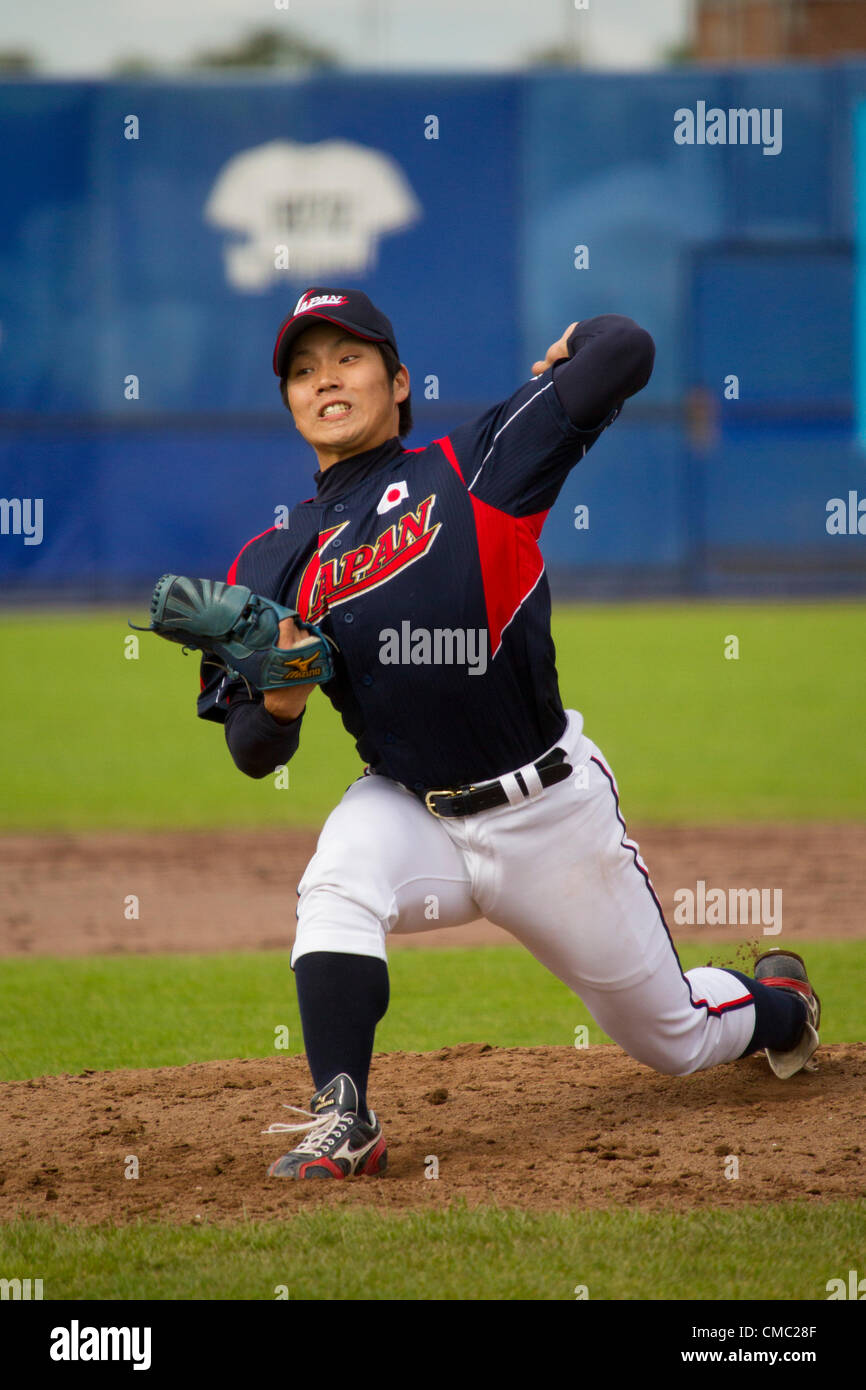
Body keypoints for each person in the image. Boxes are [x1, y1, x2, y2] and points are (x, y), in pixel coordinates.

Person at [197, 286, 820, 1180]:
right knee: (336, 880)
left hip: (549, 812)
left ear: (399, 380)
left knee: (673, 1038)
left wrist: (578, 341)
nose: (325, 379)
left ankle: (783, 1005)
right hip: (413, 810)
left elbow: (627, 350)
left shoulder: (476, 467)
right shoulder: (268, 565)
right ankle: (347, 1115)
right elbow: (254, 753)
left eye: (348, 357)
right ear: (290, 402)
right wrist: (282, 702)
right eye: (303, 369)